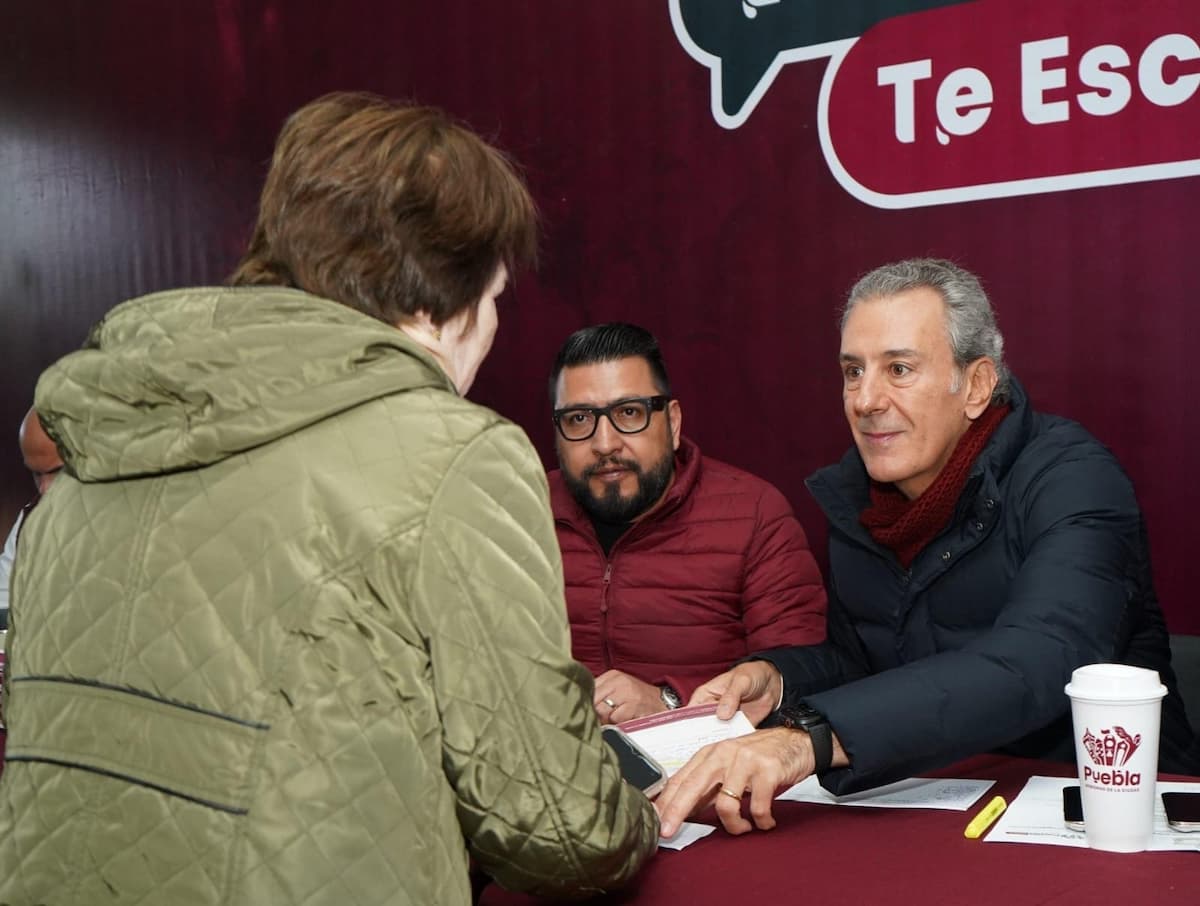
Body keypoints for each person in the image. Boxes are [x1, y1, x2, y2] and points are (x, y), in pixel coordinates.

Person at [0, 93, 657, 905]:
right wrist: (644, 809)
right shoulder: (453, 457)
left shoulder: (92, 451)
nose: (491, 330)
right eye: (492, 300)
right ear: (432, 303)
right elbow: (562, 833)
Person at [656, 258, 1197, 838]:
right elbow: (865, 664)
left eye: (899, 369)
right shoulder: (856, 500)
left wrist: (813, 738)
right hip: (936, 804)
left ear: (977, 385)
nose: (866, 400)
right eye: (853, 371)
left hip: (1100, 815)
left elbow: (1039, 660)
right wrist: (780, 680)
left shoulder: (1073, 477)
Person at [548, 323, 827, 724]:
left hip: (709, 773)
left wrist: (670, 703)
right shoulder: (519, 512)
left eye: (630, 413)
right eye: (578, 419)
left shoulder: (754, 514)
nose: (604, 443)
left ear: (673, 423)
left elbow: (803, 678)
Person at [0, 408, 64, 628]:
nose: (44, 488)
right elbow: (4, 600)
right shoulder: (31, 519)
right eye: (37, 473)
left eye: (58, 471)